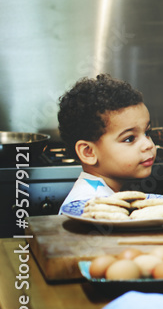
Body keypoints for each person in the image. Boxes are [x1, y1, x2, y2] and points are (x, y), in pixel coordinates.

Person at [57, 74, 156, 211]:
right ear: (88, 152)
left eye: (147, 133)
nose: (148, 145)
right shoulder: (90, 206)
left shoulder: (105, 195)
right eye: (129, 138)